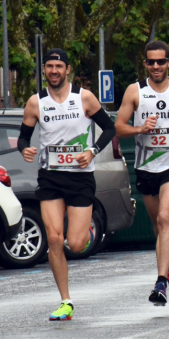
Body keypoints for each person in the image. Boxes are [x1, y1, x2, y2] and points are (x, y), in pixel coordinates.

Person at [17, 49, 117, 320]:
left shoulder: (84, 97)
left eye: (58, 66)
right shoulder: (35, 103)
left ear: (67, 70)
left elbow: (109, 129)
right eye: (49, 66)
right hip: (50, 176)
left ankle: (86, 232)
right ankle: (66, 301)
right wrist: (25, 149)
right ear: (44, 70)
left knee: (76, 243)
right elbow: (24, 137)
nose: (54, 71)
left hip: (80, 177)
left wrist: (92, 151)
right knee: (54, 239)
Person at [115, 41, 169, 304]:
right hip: (145, 167)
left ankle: (160, 283)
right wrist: (139, 129)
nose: (155, 66)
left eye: (160, 61)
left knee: (165, 217)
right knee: (158, 225)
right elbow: (118, 127)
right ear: (145, 64)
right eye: (150, 62)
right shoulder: (135, 91)